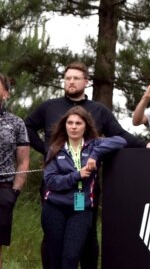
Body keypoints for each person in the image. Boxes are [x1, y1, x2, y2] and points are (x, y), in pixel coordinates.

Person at [24, 61, 149, 269]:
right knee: (52, 242)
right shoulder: (49, 106)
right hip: (55, 188)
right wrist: (48, 150)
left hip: (86, 190)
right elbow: (27, 126)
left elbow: (119, 136)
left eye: (75, 78)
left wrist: (145, 145)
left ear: (86, 82)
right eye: (67, 78)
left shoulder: (98, 110)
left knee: (87, 239)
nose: (71, 82)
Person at [41, 106, 125, 269]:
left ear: (85, 125)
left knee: (71, 256)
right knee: (55, 256)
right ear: (65, 125)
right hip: (54, 208)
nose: (73, 126)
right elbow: (51, 181)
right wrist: (76, 176)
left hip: (81, 208)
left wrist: (95, 154)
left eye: (78, 123)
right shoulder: (56, 148)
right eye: (70, 123)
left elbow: (121, 141)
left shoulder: (94, 145)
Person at [0, 74, 29, 268]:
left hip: (3, 189)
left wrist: (15, 191)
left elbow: (24, 161)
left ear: (6, 94)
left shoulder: (16, 123)